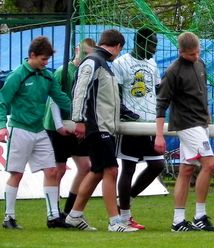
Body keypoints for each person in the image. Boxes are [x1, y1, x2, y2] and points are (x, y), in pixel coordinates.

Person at [65, 29, 139, 232]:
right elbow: (79, 91)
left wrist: (126, 112)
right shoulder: (94, 61)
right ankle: (115, 222)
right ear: (118, 46)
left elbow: (108, 98)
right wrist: (78, 120)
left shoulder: (105, 64)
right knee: (111, 170)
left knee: (97, 171)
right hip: (96, 127)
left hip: (103, 126)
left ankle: (73, 215)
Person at [0, 36, 73, 230]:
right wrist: (1, 125)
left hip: (39, 130)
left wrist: (79, 114)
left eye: (47, 60)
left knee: (51, 170)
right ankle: (9, 217)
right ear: (32, 55)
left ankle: (53, 217)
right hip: (20, 128)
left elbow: (60, 97)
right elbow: (2, 101)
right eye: (43, 59)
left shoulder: (47, 76)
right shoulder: (17, 75)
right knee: (16, 173)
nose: (46, 63)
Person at [156, 31, 214, 232]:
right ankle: (200, 215)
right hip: (187, 124)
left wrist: (207, 116)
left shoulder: (200, 65)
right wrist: (158, 134)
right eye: (191, 55)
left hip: (200, 124)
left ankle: (178, 221)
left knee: (186, 169)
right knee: (209, 164)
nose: (195, 57)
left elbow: (202, 94)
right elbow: (162, 103)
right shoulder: (173, 71)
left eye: (197, 53)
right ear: (181, 52)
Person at [112, 27, 166, 230]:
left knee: (157, 165)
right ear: (140, 43)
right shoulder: (121, 63)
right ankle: (125, 217)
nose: (154, 49)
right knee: (129, 168)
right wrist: (126, 112)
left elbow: (158, 90)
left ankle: (125, 202)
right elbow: (115, 94)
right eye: (152, 44)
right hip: (131, 126)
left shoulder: (151, 63)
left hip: (150, 124)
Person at [43, 38, 95, 225]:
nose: (86, 56)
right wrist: (59, 125)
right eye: (84, 52)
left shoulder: (88, 71)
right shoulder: (62, 72)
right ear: (76, 50)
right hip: (57, 126)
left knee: (85, 167)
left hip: (77, 124)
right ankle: (54, 214)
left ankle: (69, 210)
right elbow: (54, 99)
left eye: (90, 54)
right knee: (59, 169)